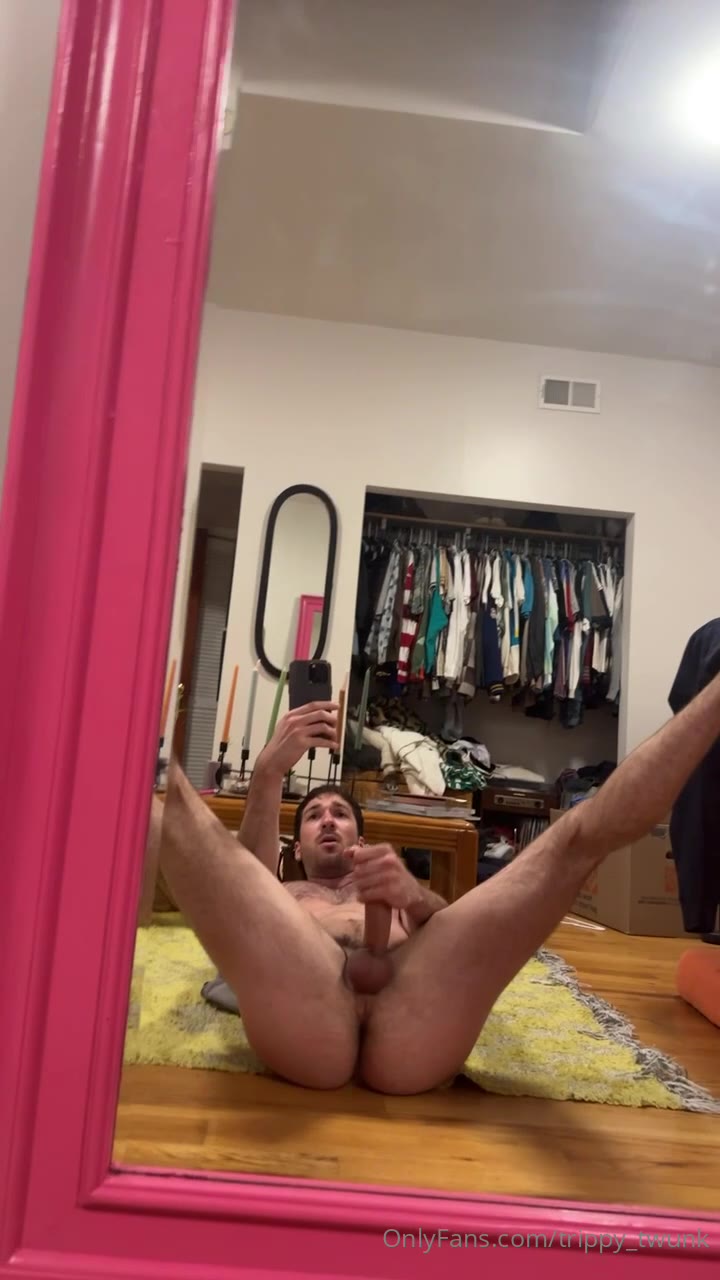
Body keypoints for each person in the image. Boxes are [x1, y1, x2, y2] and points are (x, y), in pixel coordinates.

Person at [157, 673, 720, 1095]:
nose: (327, 819)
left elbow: (440, 926)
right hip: (308, 1001)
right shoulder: (283, 894)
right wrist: (268, 774)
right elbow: (247, 883)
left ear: (360, 835)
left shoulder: (388, 879)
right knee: (176, 806)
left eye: (340, 813)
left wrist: (412, 894)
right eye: (313, 816)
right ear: (295, 849)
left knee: (574, 837)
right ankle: (137, 732)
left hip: (413, 1010)